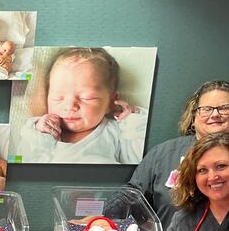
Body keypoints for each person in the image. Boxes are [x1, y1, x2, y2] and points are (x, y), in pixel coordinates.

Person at [128, 79, 229, 230]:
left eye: (225, 108)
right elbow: (130, 198)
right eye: (206, 109)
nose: (215, 114)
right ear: (193, 117)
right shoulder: (162, 154)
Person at [16, 47, 146, 164]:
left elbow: (139, 161)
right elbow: (25, 159)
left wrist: (133, 123)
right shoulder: (39, 130)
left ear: (111, 102)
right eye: (58, 98)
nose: (70, 106)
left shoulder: (116, 133)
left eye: (86, 98)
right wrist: (39, 134)